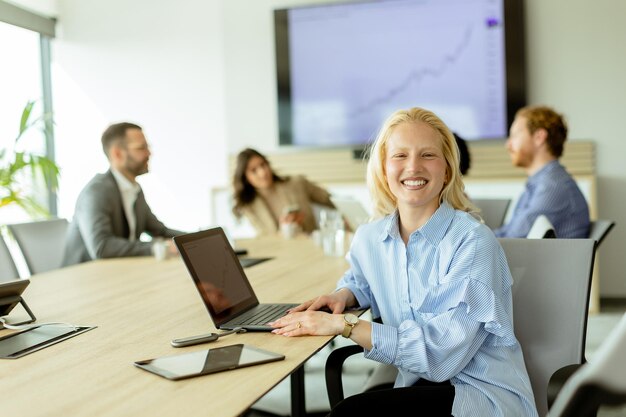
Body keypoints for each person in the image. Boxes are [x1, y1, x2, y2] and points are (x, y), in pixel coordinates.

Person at [269, 107, 538, 416]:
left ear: (447, 170)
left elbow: (440, 358)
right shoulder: (371, 238)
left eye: (427, 155)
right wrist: (344, 295)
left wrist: (344, 325)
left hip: (477, 394)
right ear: (383, 169)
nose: (413, 167)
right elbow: (364, 278)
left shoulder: (473, 242)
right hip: (415, 382)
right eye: (399, 156)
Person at [62, 122, 185, 266]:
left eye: (148, 147)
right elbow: (102, 247)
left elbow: (160, 231)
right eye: (141, 148)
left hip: (119, 271)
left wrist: (196, 238)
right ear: (117, 153)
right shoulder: (96, 192)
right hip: (85, 278)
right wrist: (155, 247)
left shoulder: (134, 189)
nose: (149, 153)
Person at [494, 105, 590, 238]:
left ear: (539, 137)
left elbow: (514, 238)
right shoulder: (541, 183)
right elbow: (508, 233)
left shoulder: (553, 187)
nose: (508, 144)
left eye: (514, 136)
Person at [232, 148, 335, 236]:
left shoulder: (297, 183)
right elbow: (264, 238)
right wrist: (284, 231)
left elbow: (331, 200)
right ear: (246, 178)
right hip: (279, 253)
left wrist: (345, 218)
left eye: (263, 165)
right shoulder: (249, 205)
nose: (262, 173)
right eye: (254, 170)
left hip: (310, 244)